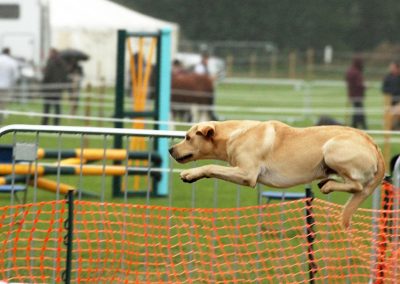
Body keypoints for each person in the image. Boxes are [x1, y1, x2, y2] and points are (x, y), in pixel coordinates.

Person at [41, 48, 69, 125]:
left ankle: (44, 124)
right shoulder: (63, 63)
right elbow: (65, 77)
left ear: (53, 54)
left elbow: (47, 76)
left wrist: (43, 85)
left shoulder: (50, 62)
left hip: (49, 89)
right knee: (57, 107)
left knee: (47, 107)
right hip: (58, 89)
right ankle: (56, 124)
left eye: (50, 53)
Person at [345, 57, 367, 129]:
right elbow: (359, 84)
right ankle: (363, 126)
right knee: (359, 112)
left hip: (352, 94)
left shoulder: (350, 71)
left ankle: (356, 125)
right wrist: (365, 86)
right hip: (357, 95)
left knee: (357, 112)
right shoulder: (356, 72)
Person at [0, 47, 19, 123]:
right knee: (3, 102)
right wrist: (12, 84)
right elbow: (15, 76)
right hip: (6, 85)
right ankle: (1, 116)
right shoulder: (12, 62)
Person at [382, 61, 400, 129]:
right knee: (389, 114)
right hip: (389, 101)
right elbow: (384, 89)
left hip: (398, 101)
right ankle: (392, 126)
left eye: (393, 68)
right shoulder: (387, 77)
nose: (391, 69)